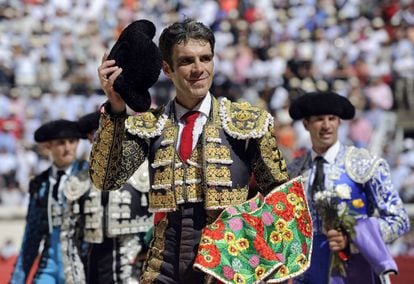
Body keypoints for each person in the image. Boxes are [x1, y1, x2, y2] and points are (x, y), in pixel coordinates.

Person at [90, 19, 291, 283]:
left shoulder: (247, 123)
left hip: (229, 269)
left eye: (205, 58)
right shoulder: (151, 126)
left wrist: (264, 262)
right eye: (186, 61)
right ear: (167, 68)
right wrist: (116, 109)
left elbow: (281, 198)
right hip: (164, 268)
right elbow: (106, 179)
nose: (199, 69)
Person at [287, 91, 410, 284]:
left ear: (339, 122)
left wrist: (354, 238)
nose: (326, 126)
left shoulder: (364, 163)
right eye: (319, 119)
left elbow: (399, 220)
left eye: (332, 119)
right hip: (309, 275)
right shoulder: (294, 171)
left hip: (356, 271)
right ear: (305, 124)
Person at [61, 111, 153, 284]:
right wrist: (75, 279)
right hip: (94, 270)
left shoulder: (145, 173)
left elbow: (162, 220)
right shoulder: (79, 181)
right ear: (90, 138)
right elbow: (69, 237)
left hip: (136, 270)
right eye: (98, 133)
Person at [10, 119, 87, 283]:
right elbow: (32, 234)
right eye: (61, 143)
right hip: (50, 263)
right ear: (48, 147)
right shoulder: (40, 183)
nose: (67, 148)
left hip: (81, 261)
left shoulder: (89, 176)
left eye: (72, 142)